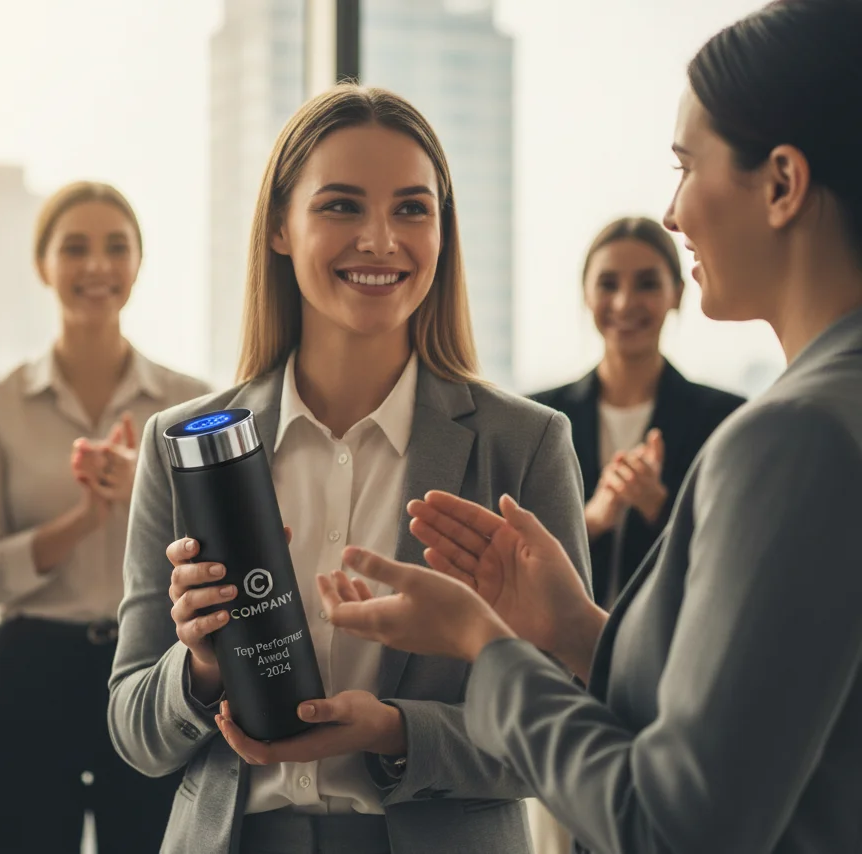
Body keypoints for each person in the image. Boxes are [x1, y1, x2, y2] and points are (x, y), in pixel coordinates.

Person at [315, 2, 862, 852]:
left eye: (686, 166)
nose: (674, 210)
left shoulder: (790, 437)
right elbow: (771, 718)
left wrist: (483, 647)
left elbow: (677, 824)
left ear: (783, 184)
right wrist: (575, 630)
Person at [108, 84, 591, 854]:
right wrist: (200, 666)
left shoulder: (523, 444)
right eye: (340, 206)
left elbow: (566, 728)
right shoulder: (183, 444)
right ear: (278, 227)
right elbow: (135, 731)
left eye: (411, 208)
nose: (379, 239)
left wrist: (398, 733)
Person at [0, 181, 210, 853]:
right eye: (75, 248)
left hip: (153, 672)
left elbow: (223, 555)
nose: (96, 266)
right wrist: (79, 519)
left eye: (115, 248)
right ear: (43, 266)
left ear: (138, 264)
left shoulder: (190, 403)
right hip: (29, 676)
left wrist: (145, 491)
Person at [532, 217, 744, 609]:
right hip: (554, 659)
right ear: (586, 295)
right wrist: (590, 520)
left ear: (677, 294)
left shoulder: (728, 420)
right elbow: (510, 553)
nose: (625, 302)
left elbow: (737, 560)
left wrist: (662, 511)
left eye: (647, 283)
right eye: (608, 284)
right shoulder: (535, 418)